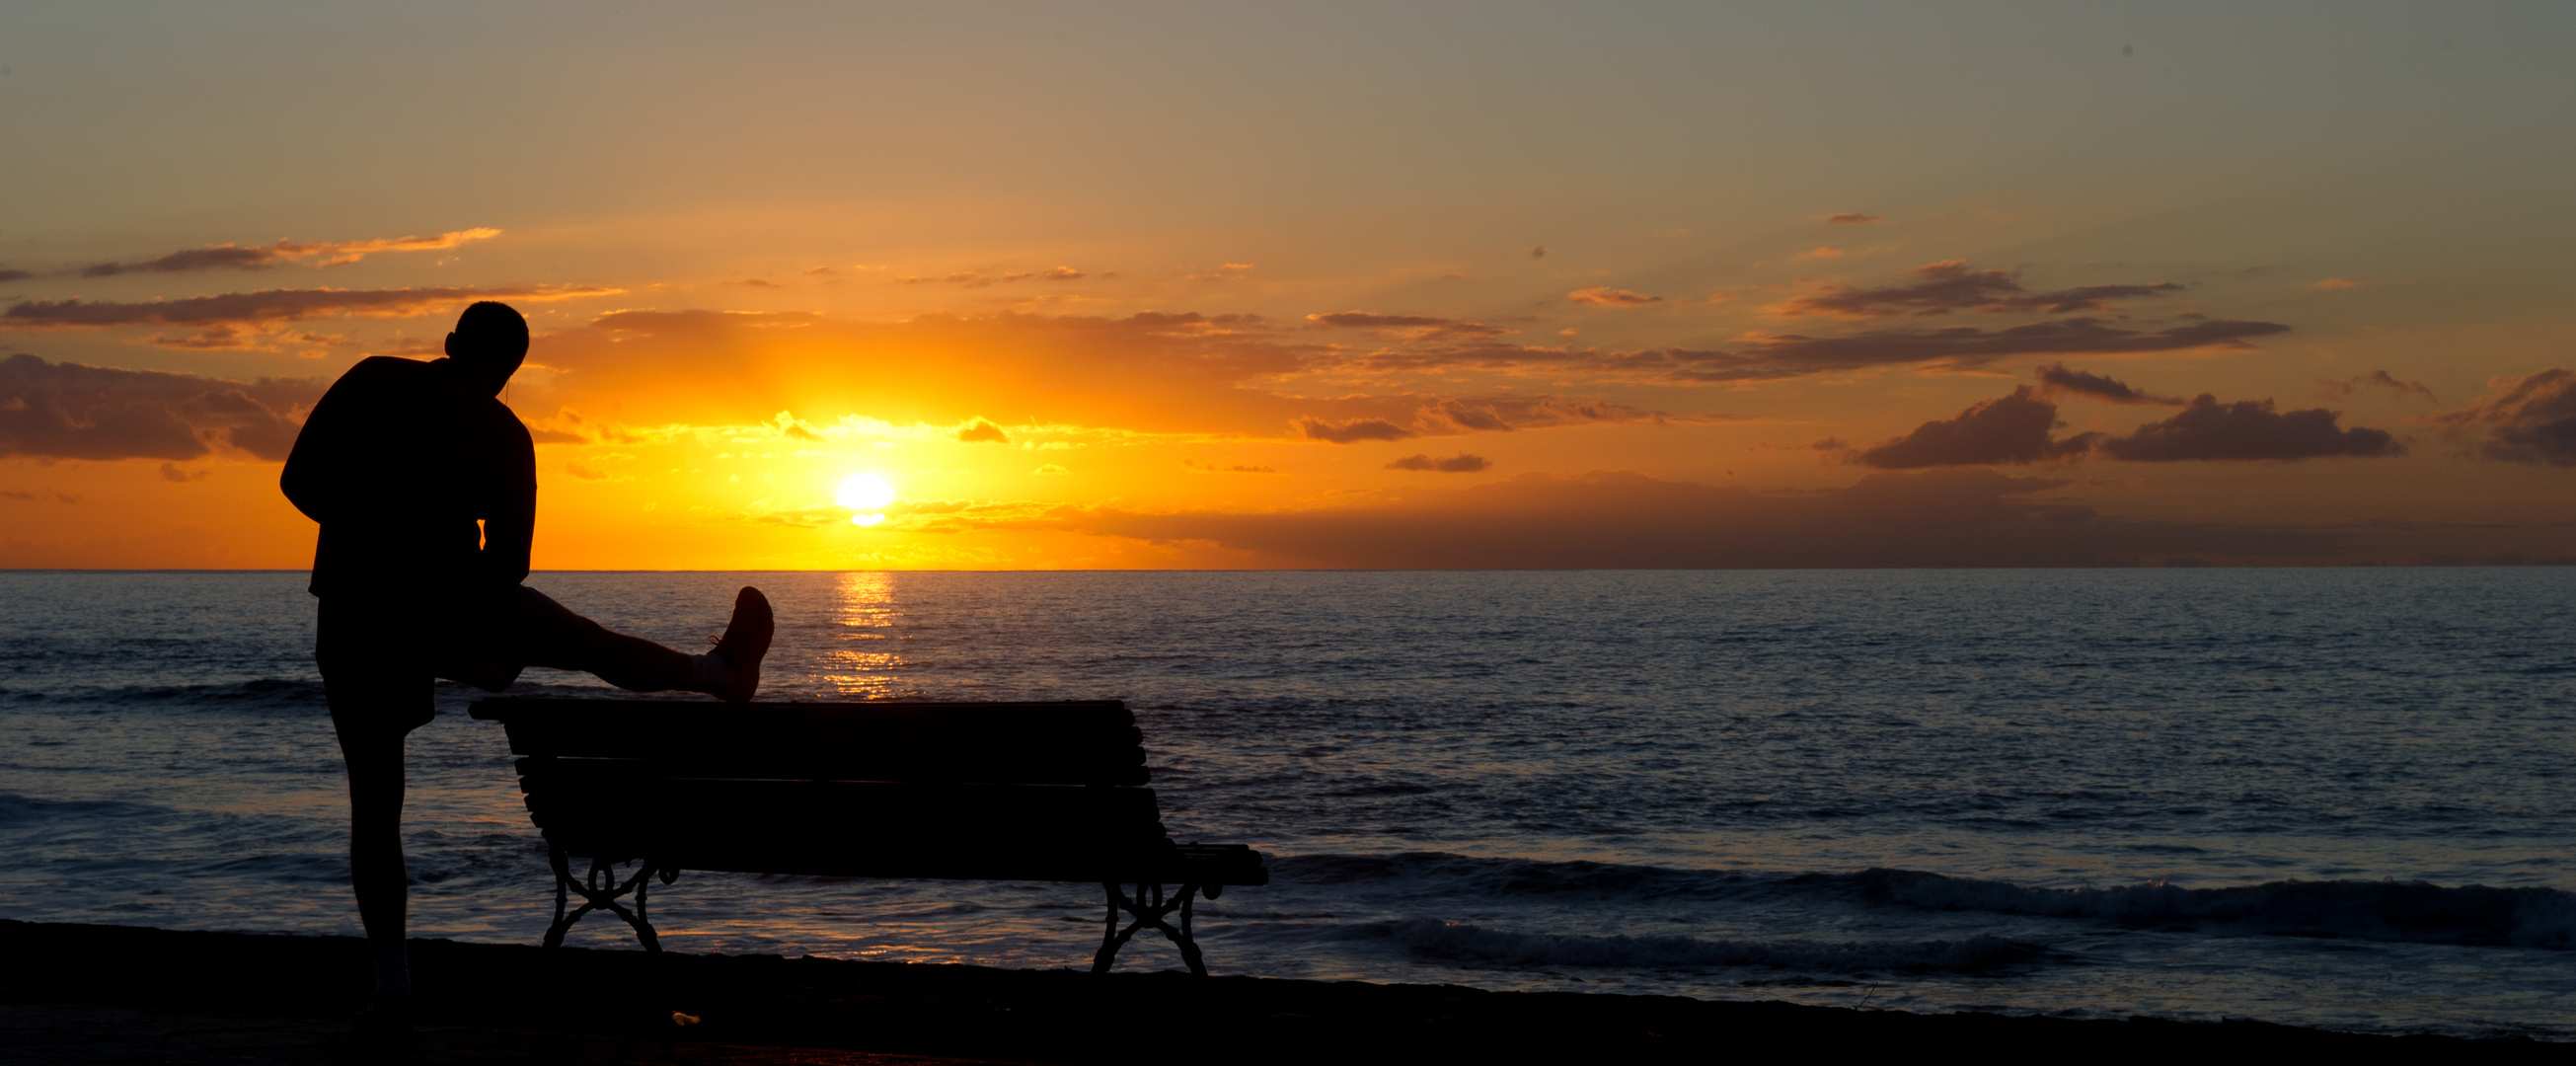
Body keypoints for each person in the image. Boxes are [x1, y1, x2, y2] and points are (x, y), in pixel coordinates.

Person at [279, 301, 773, 1042]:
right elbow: (509, 565)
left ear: (448, 345)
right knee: (588, 644)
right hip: (449, 597)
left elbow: (298, 483)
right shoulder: (505, 433)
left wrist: (372, 530)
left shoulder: (373, 377)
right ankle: (718, 673)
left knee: (375, 809)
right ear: (511, 373)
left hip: (353, 612)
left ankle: (393, 988)